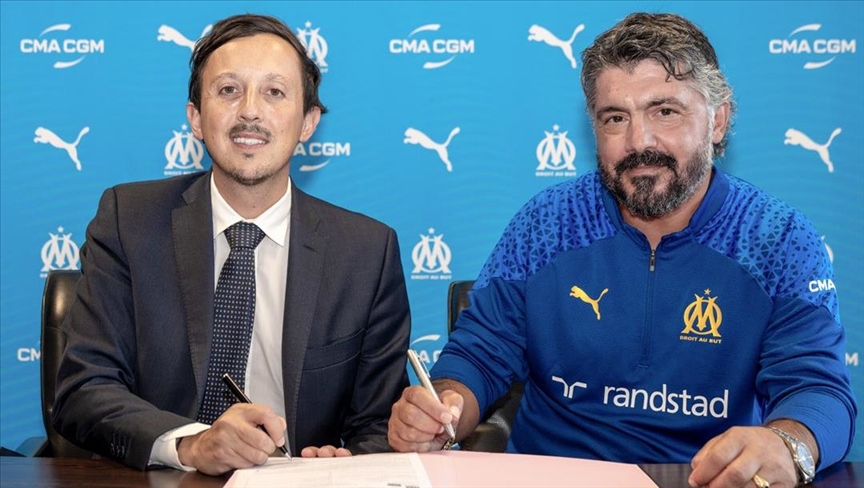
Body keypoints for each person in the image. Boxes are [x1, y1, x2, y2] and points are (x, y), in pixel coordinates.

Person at [388, 12, 856, 488]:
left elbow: (817, 392)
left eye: (664, 112)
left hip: (703, 479)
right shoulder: (546, 223)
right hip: (551, 478)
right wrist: (442, 410)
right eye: (615, 118)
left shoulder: (778, 238)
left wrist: (788, 443)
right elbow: (478, 357)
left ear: (717, 120)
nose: (638, 142)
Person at [53, 14, 411, 475]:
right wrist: (191, 444)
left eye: (274, 92)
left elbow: (379, 426)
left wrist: (340, 464)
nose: (250, 111)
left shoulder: (366, 252)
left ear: (308, 122)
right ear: (196, 118)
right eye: (228, 90)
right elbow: (84, 389)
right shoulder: (128, 221)